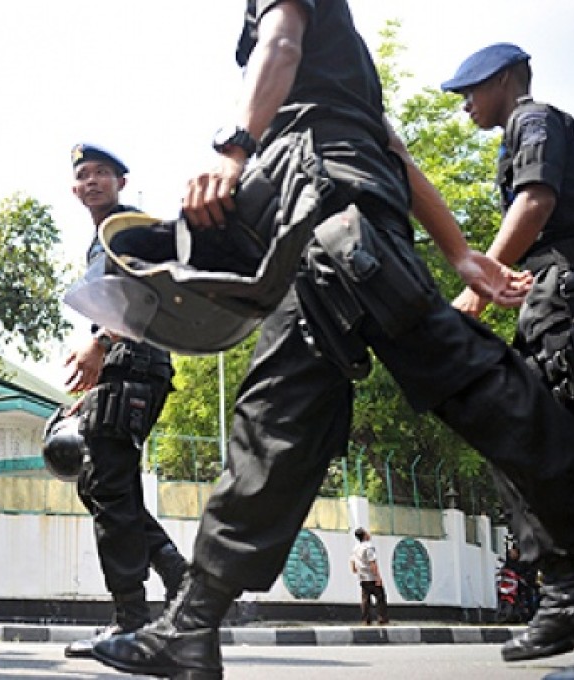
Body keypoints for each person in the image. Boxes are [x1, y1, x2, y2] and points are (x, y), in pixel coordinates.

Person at [89, 2, 574, 678]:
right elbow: (393, 150)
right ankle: (192, 624)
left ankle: (192, 623)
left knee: (446, 385)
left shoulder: (294, 25)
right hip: (341, 215)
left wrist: (233, 149)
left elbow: (279, 44)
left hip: (326, 211)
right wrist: (460, 254)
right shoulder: (348, 59)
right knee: (293, 409)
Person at [442, 43, 574, 663]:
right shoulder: (524, 127)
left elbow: (535, 200)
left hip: (562, 304)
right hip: (549, 297)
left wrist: (478, 284)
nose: (464, 104)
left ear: (503, 81)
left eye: (470, 89)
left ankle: (567, 591)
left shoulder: (532, 117)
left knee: (521, 432)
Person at [62, 143, 187, 658]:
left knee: (109, 490)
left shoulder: (128, 229)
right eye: (83, 175)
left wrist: (101, 342)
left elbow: (142, 296)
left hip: (132, 364)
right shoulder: (102, 236)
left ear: (121, 181)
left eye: (101, 174)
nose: (91, 181)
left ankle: (131, 620)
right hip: (123, 371)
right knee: (104, 487)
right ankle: (181, 581)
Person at [349, 528, 388, 625]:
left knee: (366, 599)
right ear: (365, 535)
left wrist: (356, 571)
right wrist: (378, 577)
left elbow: (352, 562)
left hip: (362, 577)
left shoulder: (356, 548)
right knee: (380, 597)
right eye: (366, 532)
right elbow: (372, 563)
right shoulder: (369, 547)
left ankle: (366, 620)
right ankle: (382, 618)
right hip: (371, 577)